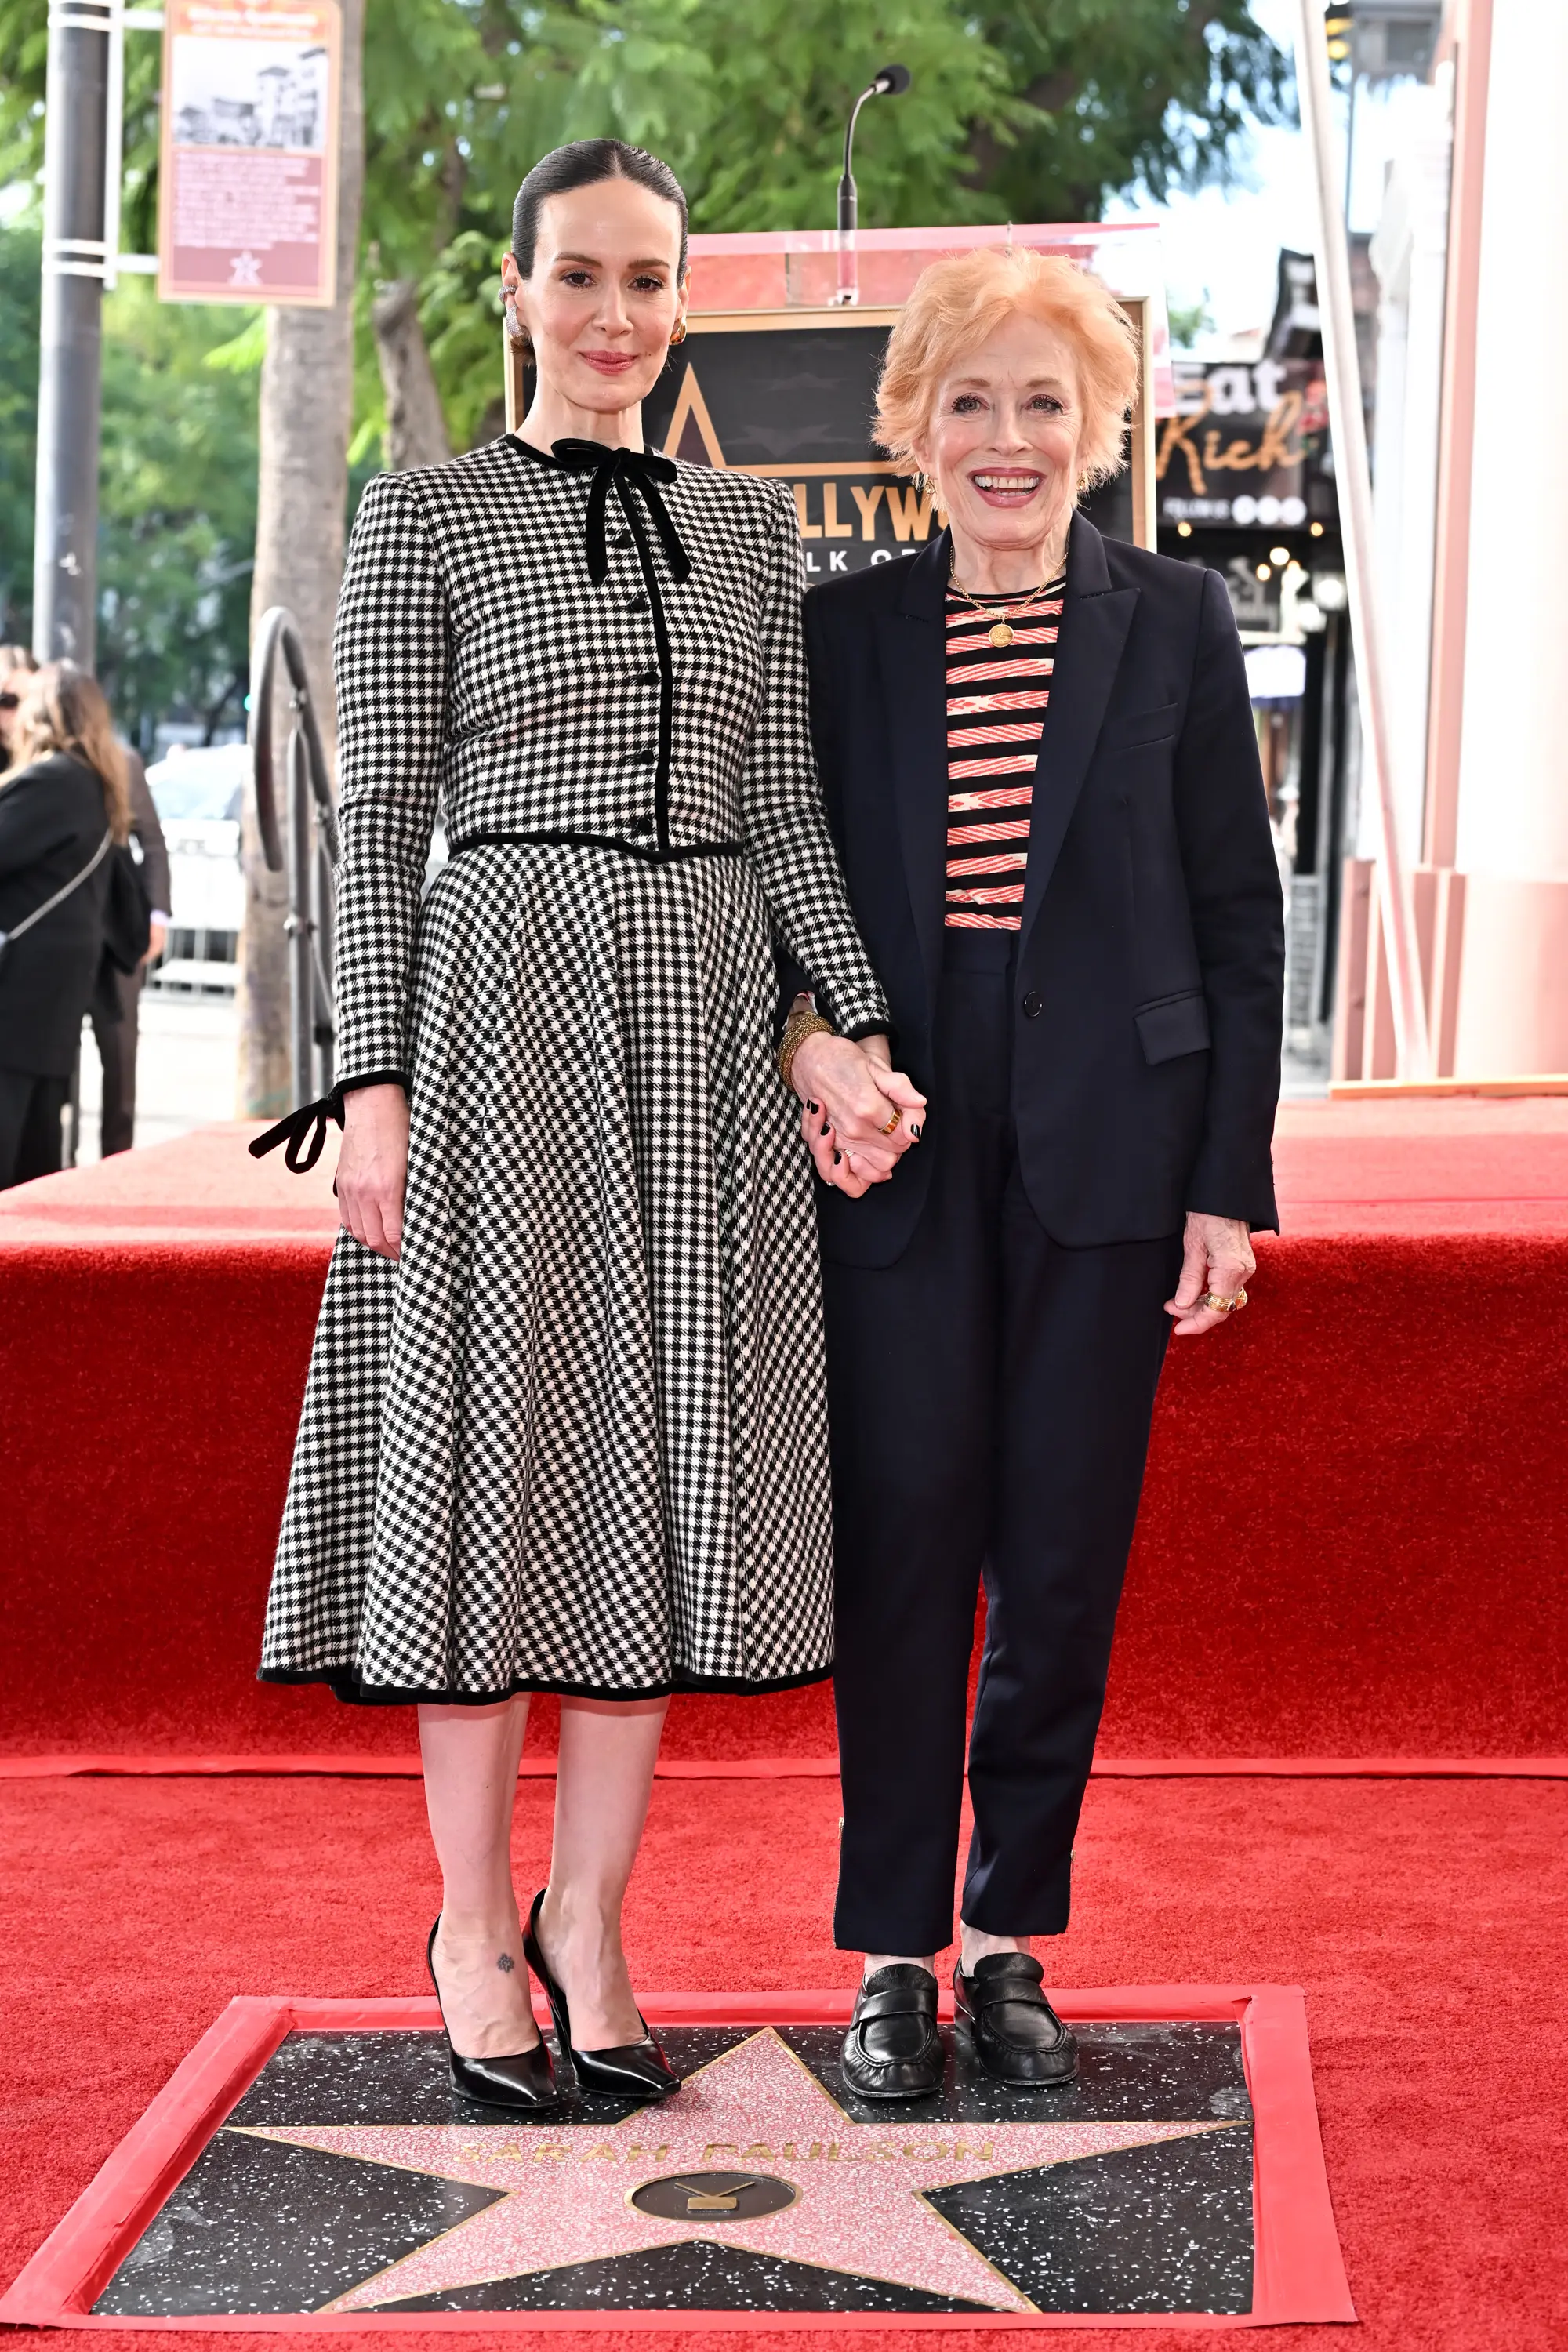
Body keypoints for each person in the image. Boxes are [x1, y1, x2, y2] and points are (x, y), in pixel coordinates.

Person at [252, 140, 919, 2111]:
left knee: (654, 1471)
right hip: (495, 1012)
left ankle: (591, 1914)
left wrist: (843, 1021)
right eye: (581, 278)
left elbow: (786, 810)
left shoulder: (745, 525)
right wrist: (367, 1081)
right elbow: (377, 822)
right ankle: (468, 1922)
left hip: (702, 1019)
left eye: (648, 279)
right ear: (518, 292)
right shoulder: (427, 512)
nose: (616, 315)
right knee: (489, 1467)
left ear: (677, 298)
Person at [789, 249, 1284, 2098]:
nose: (1006, 437)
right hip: (905, 1136)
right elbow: (797, 892)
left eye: (1043, 403)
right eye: (971, 400)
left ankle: (1009, 1932)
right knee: (906, 1531)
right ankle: (890, 1947)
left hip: (1113, 1139)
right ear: (911, 425)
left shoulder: (1169, 620)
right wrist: (820, 1069)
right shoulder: (842, 633)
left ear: (1098, 433)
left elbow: (1236, 926)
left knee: (1057, 1546)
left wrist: (1223, 1182)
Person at [0, 663, 131, 1188]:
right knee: (36, 1150)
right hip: (59, 992)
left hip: (16, 992)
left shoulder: (51, 780)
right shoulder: (98, 784)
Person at [89, 744, 170, 1156]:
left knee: (120, 1055)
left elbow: (153, 842)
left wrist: (158, 915)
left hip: (118, 930)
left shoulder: (121, 760)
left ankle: (115, 1159)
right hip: (57, 934)